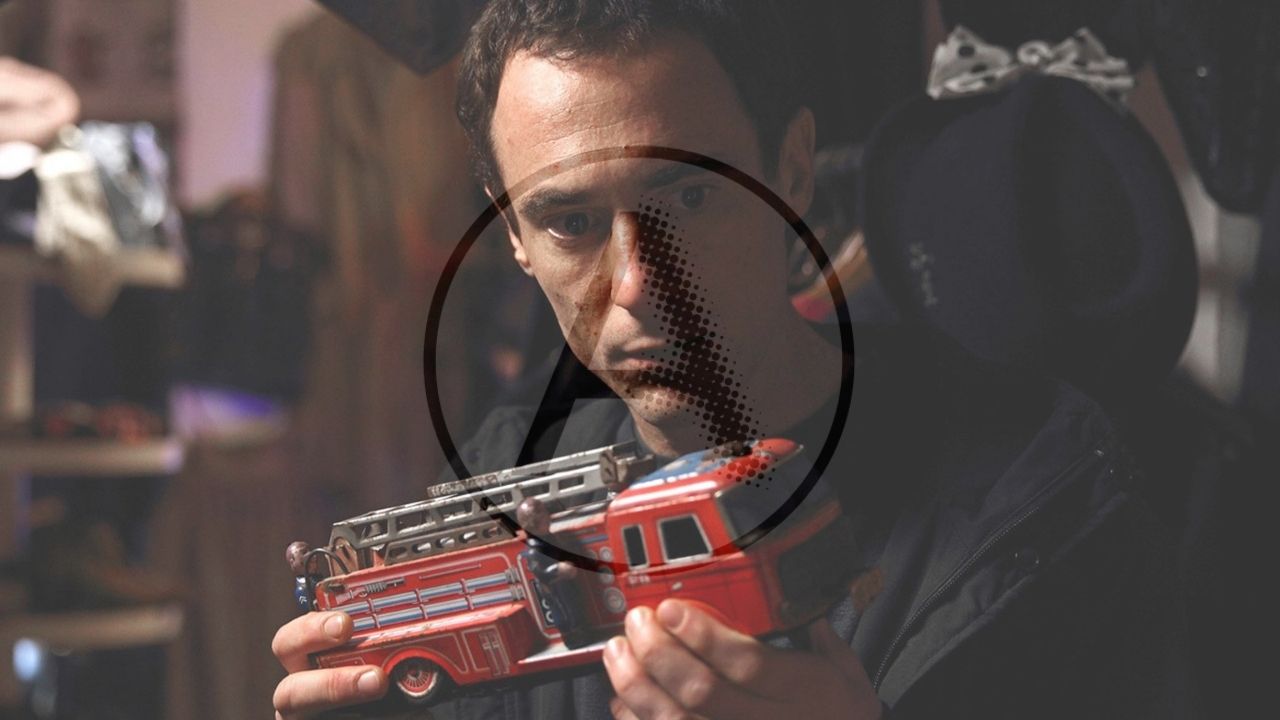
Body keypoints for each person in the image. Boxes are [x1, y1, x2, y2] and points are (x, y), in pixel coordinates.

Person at [271, 2, 1194, 719]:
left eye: (688, 199)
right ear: (513, 233)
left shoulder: (1040, 498)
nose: (640, 284)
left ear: (791, 168)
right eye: (571, 222)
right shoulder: (499, 480)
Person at [516, 497, 595, 650]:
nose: (548, 516)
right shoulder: (534, 549)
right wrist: (558, 569)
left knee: (575, 607)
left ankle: (582, 632)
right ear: (533, 523)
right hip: (555, 589)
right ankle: (574, 637)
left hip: (566, 585)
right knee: (565, 613)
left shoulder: (549, 539)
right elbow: (539, 571)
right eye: (543, 514)